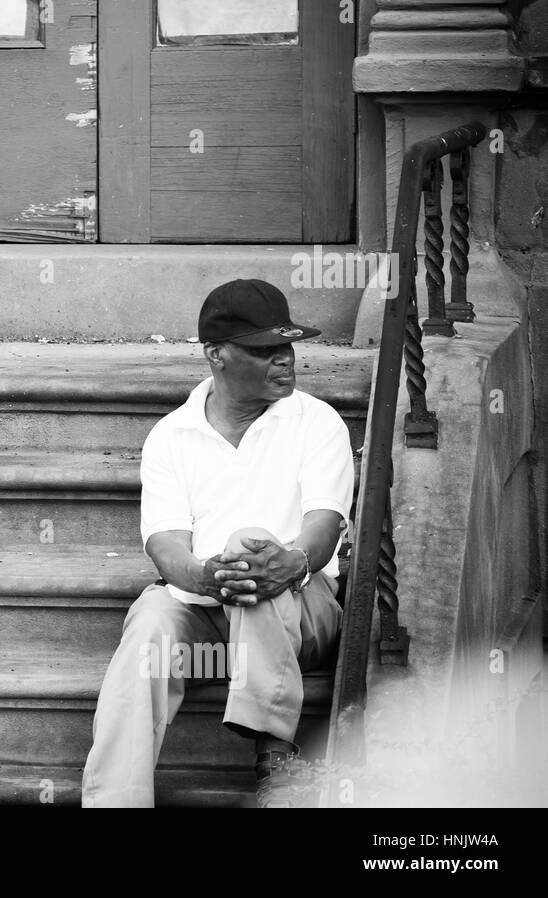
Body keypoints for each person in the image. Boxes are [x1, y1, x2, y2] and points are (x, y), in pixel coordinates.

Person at [82, 279, 353, 808]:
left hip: (303, 612)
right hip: (208, 616)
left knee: (248, 545)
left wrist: (288, 562)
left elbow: (324, 527)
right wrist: (208, 577)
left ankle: (274, 748)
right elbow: (165, 545)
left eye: (288, 346)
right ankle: (115, 800)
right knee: (150, 627)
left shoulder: (316, 421)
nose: (285, 361)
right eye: (264, 350)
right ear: (216, 354)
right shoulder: (171, 434)